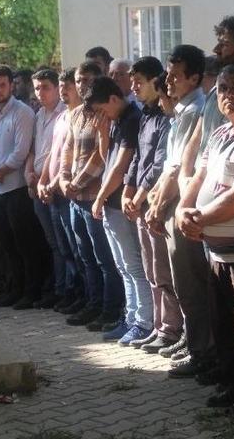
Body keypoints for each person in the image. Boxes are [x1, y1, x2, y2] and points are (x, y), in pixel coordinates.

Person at [177, 64, 234, 409]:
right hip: (214, 252)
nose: (229, 94)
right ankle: (233, 386)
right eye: (224, 88)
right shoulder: (219, 134)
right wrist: (183, 210)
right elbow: (198, 177)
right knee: (223, 324)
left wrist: (196, 221)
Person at [144, 45, 211, 370]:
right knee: (180, 279)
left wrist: (157, 206)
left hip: (182, 203)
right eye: (168, 74)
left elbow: (178, 167)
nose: (167, 81)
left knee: (190, 282)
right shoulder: (182, 110)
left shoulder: (195, 109)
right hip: (171, 200)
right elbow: (169, 164)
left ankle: (201, 349)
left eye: (174, 76)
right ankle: (190, 337)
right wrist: (156, 201)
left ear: (194, 78)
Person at [84, 76, 152, 339]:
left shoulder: (132, 118)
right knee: (123, 265)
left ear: (113, 99)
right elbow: (107, 158)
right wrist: (102, 133)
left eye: (103, 109)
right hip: (111, 203)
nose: (103, 115)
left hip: (120, 203)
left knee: (135, 265)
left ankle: (144, 321)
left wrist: (100, 197)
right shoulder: (115, 121)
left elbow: (121, 165)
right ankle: (131, 317)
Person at [59, 61, 123, 328]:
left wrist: (77, 181)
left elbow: (102, 154)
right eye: (79, 81)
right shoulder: (76, 115)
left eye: (87, 80)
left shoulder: (103, 114)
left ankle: (109, 310)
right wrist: (64, 179)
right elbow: (67, 150)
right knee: (84, 256)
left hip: (95, 196)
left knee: (104, 259)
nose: (82, 86)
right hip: (75, 198)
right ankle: (92, 303)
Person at [123, 57, 181, 349]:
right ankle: (158, 326)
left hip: (159, 201)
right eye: (132, 82)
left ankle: (171, 329)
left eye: (139, 82)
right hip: (140, 202)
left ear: (155, 82)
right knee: (150, 269)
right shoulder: (145, 115)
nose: (134, 87)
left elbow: (160, 164)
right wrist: (127, 191)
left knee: (163, 269)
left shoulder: (167, 116)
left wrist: (140, 195)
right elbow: (137, 159)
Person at [178, 15, 234, 198]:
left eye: (225, 44)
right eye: (225, 88)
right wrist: (184, 179)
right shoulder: (216, 90)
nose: (216, 50)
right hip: (195, 188)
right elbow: (197, 138)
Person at [0, 64, 47, 310]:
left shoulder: (22, 113)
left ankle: (31, 290)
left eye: (2, 85)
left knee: (25, 243)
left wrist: (1, 171)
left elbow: (21, 152)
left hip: (17, 188)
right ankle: (14, 287)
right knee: (6, 242)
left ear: (11, 85)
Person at [41, 68, 85, 313]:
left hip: (68, 191)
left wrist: (55, 181)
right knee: (64, 247)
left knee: (79, 249)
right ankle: (73, 292)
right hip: (53, 191)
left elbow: (72, 158)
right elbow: (52, 153)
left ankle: (84, 294)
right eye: (62, 87)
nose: (64, 92)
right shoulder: (61, 118)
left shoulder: (81, 116)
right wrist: (42, 180)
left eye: (67, 87)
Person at [24, 68, 67, 308]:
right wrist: (29, 175)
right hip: (37, 186)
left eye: (46, 87)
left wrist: (43, 180)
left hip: (55, 187)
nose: (40, 93)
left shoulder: (63, 114)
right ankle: (58, 288)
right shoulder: (39, 115)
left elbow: (57, 153)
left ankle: (66, 291)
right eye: (37, 88)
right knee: (51, 243)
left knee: (64, 244)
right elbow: (33, 150)